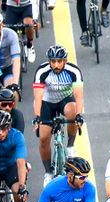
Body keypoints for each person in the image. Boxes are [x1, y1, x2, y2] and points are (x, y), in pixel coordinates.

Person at [33, 45, 84, 186]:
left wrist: (79, 115)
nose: (56, 65)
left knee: (73, 112)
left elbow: (79, 96)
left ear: (65, 60)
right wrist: (37, 117)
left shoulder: (73, 71)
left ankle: (70, 146)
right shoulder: (42, 71)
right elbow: (37, 97)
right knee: (43, 138)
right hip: (47, 102)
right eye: (53, 61)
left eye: (59, 61)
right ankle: (48, 171)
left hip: (65, 100)